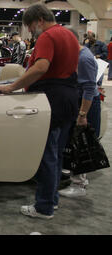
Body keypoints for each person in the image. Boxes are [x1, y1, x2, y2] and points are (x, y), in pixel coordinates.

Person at [0, 3, 79, 219]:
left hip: (52, 99)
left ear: (39, 20)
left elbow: (41, 67)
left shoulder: (48, 36)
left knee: (46, 154)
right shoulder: (69, 36)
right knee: (56, 154)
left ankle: (44, 207)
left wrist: (11, 87)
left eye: (30, 26)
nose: (30, 31)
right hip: (69, 97)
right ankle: (52, 200)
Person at [58, 27, 101, 198]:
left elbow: (89, 88)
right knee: (74, 141)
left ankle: (79, 185)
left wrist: (83, 114)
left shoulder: (84, 58)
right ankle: (77, 178)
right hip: (79, 102)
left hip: (87, 105)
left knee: (81, 143)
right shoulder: (76, 55)